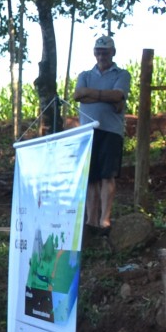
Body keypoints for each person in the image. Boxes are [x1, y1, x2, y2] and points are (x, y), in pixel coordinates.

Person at [73, 35, 130, 231]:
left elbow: (118, 94)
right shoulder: (85, 75)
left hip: (111, 131)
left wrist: (92, 94)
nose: (101, 55)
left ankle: (104, 220)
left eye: (105, 52)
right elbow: (78, 95)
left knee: (108, 176)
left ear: (113, 52)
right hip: (87, 133)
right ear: (94, 53)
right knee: (91, 178)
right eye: (98, 51)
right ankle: (90, 220)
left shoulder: (122, 75)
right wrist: (106, 97)